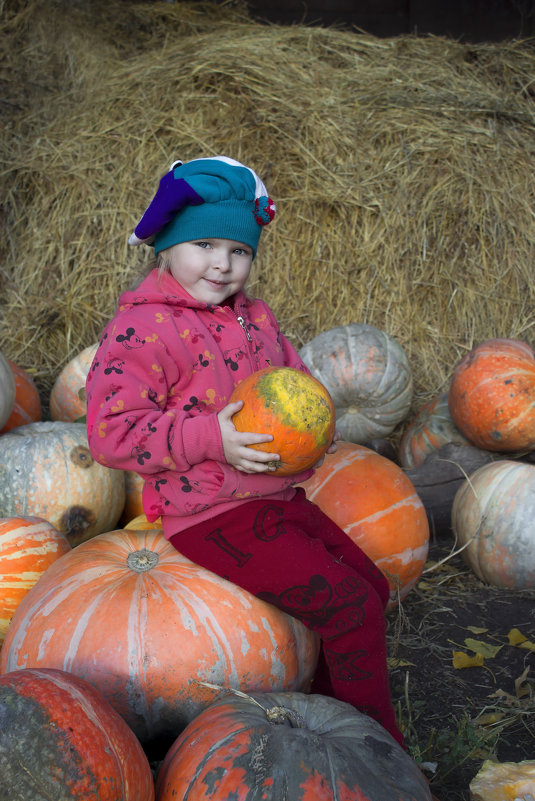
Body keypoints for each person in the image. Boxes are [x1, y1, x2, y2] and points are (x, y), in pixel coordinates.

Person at [86, 155, 404, 747]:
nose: (222, 263)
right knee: (351, 610)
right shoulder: (143, 329)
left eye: (240, 250)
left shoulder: (256, 317)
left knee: (373, 591)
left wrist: (316, 428)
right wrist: (214, 438)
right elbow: (111, 432)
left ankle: (328, 719)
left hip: (278, 498)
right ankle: (373, 749)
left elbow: (296, 385)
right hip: (212, 517)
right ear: (167, 247)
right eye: (204, 243)